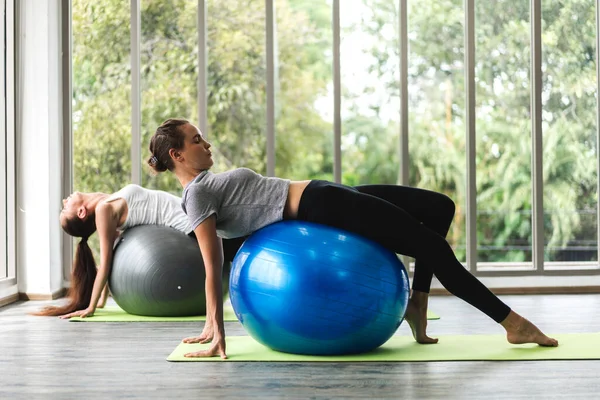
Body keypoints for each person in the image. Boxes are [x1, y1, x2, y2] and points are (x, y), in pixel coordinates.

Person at [148, 118, 559, 359]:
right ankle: (512, 323)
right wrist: (214, 327)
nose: (207, 143)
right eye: (196, 140)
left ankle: (417, 303)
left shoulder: (206, 182)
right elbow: (213, 262)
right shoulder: (197, 194)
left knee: (439, 208)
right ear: (177, 156)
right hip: (318, 207)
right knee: (432, 245)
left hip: (321, 193)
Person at [34, 184, 245, 318]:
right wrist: (92, 306)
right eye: (65, 208)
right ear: (81, 212)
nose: (64, 200)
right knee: (247, 247)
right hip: (190, 226)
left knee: (246, 244)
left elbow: (113, 254)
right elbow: (108, 261)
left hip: (195, 217)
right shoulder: (102, 210)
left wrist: (100, 300)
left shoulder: (106, 203)